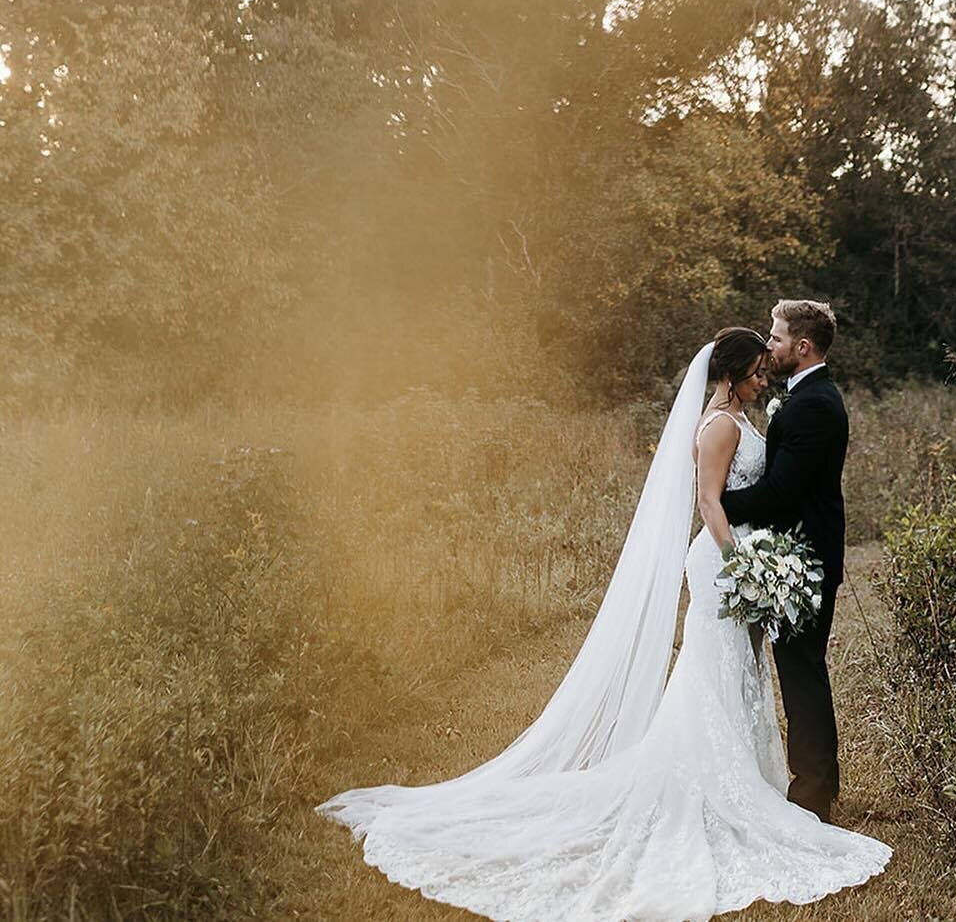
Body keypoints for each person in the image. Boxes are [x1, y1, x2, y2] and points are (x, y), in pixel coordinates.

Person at [315, 325, 892, 921]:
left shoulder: (743, 416)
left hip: (745, 560)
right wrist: (740, 564)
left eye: (763, 373)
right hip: (726, 562)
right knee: (711, 672)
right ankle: (706, 788)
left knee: (737, 674)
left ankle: (739, 781)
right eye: (753, 373)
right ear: (730, 374)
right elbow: (709, 502)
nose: (762, 378)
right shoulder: (720, 425)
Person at [720, 299, 847, 823]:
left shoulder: (814, 404)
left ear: (803, 346)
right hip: (801, 555)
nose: (767, 346)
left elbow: (778, 492)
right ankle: (820, 783)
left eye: (774, 338)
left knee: (802, 674)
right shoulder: (804, 397)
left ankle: (813, 794)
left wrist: (715, 502)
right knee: (803, 671)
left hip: (807, 560)